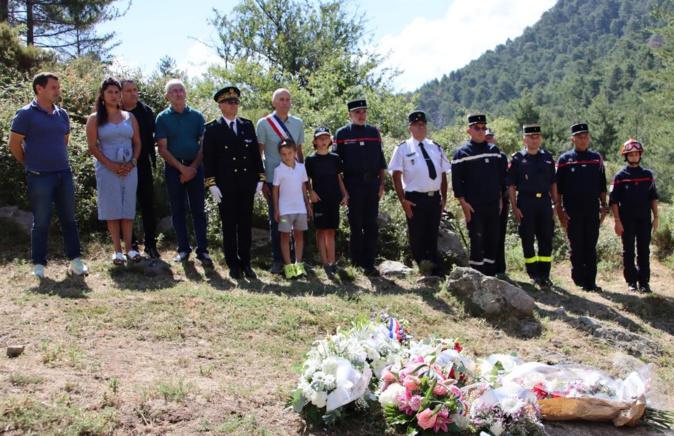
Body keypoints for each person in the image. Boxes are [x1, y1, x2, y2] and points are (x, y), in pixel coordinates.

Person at [8, 72, 88, 278]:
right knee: (42, 220)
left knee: (69, 219)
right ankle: (39, 264)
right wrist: (29, 163)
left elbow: (64, 140)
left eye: (58, 87)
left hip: (63, 173)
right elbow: (14, 144)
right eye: (53, 87)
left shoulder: (62, 114)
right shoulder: (25, 114)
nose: (57, 90)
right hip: (39, 176)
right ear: (39, 89)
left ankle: (76, 261)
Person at [203, 86, 265, 280]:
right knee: (229, 225)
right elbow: (209, 159)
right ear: (221, 105)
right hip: (225, 186)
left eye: (236, 102)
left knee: (245, 225)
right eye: (230, 102)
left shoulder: (247, 125)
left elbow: (255, 155)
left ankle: (246, 262)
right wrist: (211, 184)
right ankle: (233, 264)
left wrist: (260, 179)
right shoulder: (212, 128)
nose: (234, 105)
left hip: (246, 184)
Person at [155, 79, 213, 267]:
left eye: (181, 90)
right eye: (174, 91)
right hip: (174, 169)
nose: (178, 93)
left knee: (198, 210)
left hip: (196, 166)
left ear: (185, 93)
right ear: (167, 96)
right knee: (178, 210)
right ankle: (183, 249)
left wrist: (193, 168)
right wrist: (182, 169)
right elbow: (162, 149)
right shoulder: (162, 118)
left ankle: (203, 250)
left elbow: (204, 145)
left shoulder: (196, 116)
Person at [86, 78, 142, 265]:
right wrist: (110, 165)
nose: (114, 95)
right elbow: (93, 147)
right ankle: (117, 251)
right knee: (112, 207)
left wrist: (132, 162)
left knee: (127, 207)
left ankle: (130, 250)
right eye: (110, 92)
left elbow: (137, 143)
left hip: (129, 168)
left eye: (117, 92)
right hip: (107, 168)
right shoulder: (94, 119)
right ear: (102, 95)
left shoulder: (129, 117)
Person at [389, 110, 450, 275]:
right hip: (414, 198)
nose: (420, 127)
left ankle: (435, 268)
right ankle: (422, 266)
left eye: (423, 124)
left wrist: (444, 197)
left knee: (432, 232)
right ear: (410, 127)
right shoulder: (403, 148)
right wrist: (403, 200)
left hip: (434, 197)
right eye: (416, 125)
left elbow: (443, 173)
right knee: (417, 234)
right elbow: (396, 175)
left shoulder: (435, 147)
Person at [334, 98, 387, 276]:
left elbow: (381, 160)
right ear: (350, 115)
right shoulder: (342, 134)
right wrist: (343, 191)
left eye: (364, 111)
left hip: (372, 184)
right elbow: (336, 166)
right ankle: (356, 262)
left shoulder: (374, 132)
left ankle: (369, 263)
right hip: (353, 185)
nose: (361, 115)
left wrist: (382, 185)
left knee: (371, 224)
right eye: (357, 112)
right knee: (355, 224)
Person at [256, 88, 305, 274]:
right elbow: (258, 154)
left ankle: (296, 262)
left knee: (296, 221)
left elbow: (299, 152)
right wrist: (261, 182)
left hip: (294, 180)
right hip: (273, 182)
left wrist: (305, 181)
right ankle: (279, 261)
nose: (285, 102)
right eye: (281, 99)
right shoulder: (264, 123)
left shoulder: (298, 123)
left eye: (287, 99)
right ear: (274, 102)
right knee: (277, 220)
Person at [451, 114, 507, 276]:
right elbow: (457, 182)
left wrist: (500, 200)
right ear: (469, 130)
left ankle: (490, 276)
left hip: (493, 204)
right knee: (477, 240)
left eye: (484, 128)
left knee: (492, 240)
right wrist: (463, 204)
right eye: (477, 128)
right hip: (474, 206)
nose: (481, 131)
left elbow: (500, 177)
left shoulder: (494, 151)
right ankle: (476, 277)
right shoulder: (462, 153)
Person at [556, 123, 608, 292]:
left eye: (585, 136)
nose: (583, 139)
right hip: (572, 211)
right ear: (573, 139)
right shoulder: (565, 160)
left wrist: (604, 205)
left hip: (592, 209)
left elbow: (602, 185)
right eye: (579, 136)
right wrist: (560, 210)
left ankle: (591, 282)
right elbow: (558, 188)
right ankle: (578, 279)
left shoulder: (596, 158)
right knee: (576, 245)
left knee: (590, 246)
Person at [508, 124, 558, 287]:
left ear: (541, 138)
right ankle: (533, 273)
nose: (534, 140)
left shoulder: (547, 157)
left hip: (544, 202)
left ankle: (545, 273)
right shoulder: (517, 159)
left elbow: (553, 183)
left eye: (537, 136)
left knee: (546, 238)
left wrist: (555, 203)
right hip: (526, 202)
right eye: (531, 137)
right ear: (524, 139)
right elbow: (512, 186)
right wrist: (514, 207)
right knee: (527, 238)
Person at [610, 139, 659, 293]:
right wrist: (617, 221)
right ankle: (631, 281)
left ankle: (644, 282)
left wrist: (656, 217)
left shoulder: (648, 175)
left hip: (644, 218)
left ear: (640, 155)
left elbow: (653, 198)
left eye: (636, 154)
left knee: (644, 250)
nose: (633, 156)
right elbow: (614, 201)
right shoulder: (620, 176)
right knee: (628, 250)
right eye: (630, 154)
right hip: (626, 219)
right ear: (626, 156)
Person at [120, 79, 160, 259]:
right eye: (128, 90)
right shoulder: (114, 111)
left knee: (147, 204)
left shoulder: (146, 111)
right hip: (120, 166)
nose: (133, 93)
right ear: (120, 93)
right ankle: (131, 244)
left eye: (135, 90)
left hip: (142, 163)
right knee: (126, 205)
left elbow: (153, 138)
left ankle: (151, 244)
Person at [305, 127, 348, 275]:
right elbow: (306, 180)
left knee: (331, 231)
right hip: (319, 200)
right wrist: (311, 192)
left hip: (333, 198)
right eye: (320, 138)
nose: (323, 141)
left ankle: (332, 262)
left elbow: (339, 178)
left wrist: (345, 194)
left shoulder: (335, 158)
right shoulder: (310, 160)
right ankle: (325, 263)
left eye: (325, 138)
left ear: (330, 140)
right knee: (320, 230)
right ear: (315, 141)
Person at [272, 139, 312, 279]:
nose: (287, 156)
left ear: (295, 152)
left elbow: (303, 187)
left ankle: (299, 264)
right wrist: (276, 209)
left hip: (300, 208)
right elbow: (275, 191)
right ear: (280, 155)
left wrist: (307, 205)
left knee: (299, 235)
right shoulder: (278, 170)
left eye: (289, 153)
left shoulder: (301, 168)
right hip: (284, 210)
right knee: (285, 236)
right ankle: (288, 266)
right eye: (283, 154)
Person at [487, 128, 509, 276]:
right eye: (486, 137)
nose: (488, 139)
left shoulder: (501, 157)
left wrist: (503, 198)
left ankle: (500, 268)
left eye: (490, 137)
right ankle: (487, 267)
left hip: (501, 200)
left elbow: (505, 180)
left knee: (500, 234)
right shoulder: (474, 155)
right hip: (482, 201)